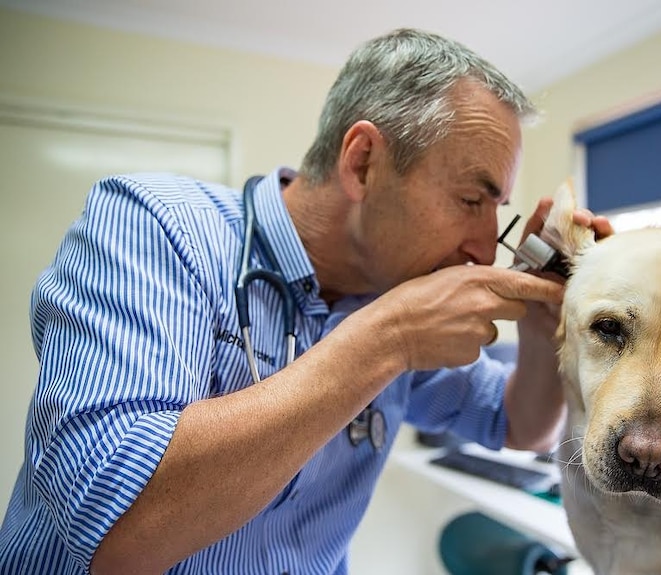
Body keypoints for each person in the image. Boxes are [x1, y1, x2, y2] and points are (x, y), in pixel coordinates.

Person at [0, 28, 611, 574]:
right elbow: (112, 535)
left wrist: (541, 327)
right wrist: (386, 340)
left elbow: (522, 426)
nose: (484, 249)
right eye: (470, 201)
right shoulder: (157, 227)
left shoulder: (396, 288)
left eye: (497, 212)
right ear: (364, 162)